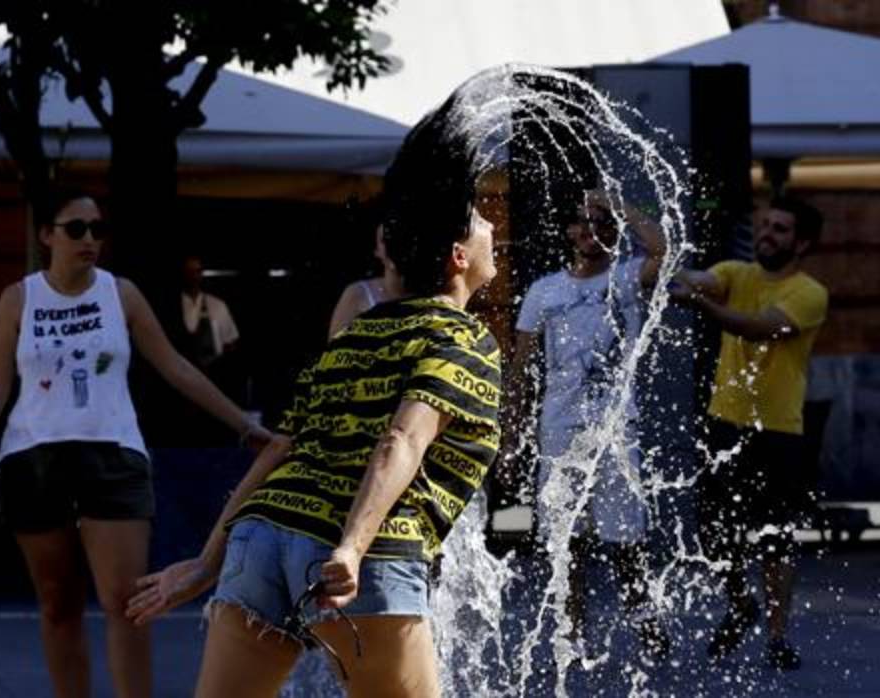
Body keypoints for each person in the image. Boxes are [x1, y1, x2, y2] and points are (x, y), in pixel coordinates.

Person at [126, 94, 502, 698]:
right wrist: (351, 549)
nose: (491, 227)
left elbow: (281, 451)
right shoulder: (460, 336)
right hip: (364, 550)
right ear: (458, 258)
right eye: (480, 222)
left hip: (262, 538)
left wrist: (206, 562)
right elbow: (400, 441)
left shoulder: (355, 339)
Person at [0, 190, 271, 698]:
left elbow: (175, 367)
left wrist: (245, 426)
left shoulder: (120, 294)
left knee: (126, 601)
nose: (90, 240)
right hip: (33, 458)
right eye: (76, 229)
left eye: (98, 229)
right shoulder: (19, 298)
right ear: (47, 235)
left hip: (112, 453)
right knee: (58, 603)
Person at [669, 195, 828, 671]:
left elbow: (760, 329)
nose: (768, 235)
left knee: (774, 537)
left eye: (780, 229)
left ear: (801, 243)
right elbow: (700, 280)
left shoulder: (810, 292)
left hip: (778, 431)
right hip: (725, 423)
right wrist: (681, 278)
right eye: (765, 226)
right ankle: (740, 604)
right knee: (715, 534)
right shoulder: (737, 275)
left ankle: (777, 636)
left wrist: (700, 304)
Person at [505, 189, 667, 656]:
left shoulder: (625, 278)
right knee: (564, 540)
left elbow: (663, 249)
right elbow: (520, 372)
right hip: (560, 429)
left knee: (625, 540)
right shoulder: (545, 291)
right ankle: (572, 630)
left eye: (601, 223)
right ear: (569, 231)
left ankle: (644, 622)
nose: (589, 229)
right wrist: (512, 440)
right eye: (582, 221)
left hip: (616, 430)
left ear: (614, 232)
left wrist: (621, 206)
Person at [327, 223, 404, 339]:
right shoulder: (358, 293)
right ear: (377, 251)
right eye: (385, 240)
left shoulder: (430, 293)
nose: (392, 246)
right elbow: (335, 347)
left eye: (397, 238)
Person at [180, 254, 240, 371]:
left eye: (197, 271)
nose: (193, 276)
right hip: (182, 373)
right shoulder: (171, 308)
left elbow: (231, 343)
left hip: (214, 372)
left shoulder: (217, 305)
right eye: (189, 271)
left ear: (201, 274)